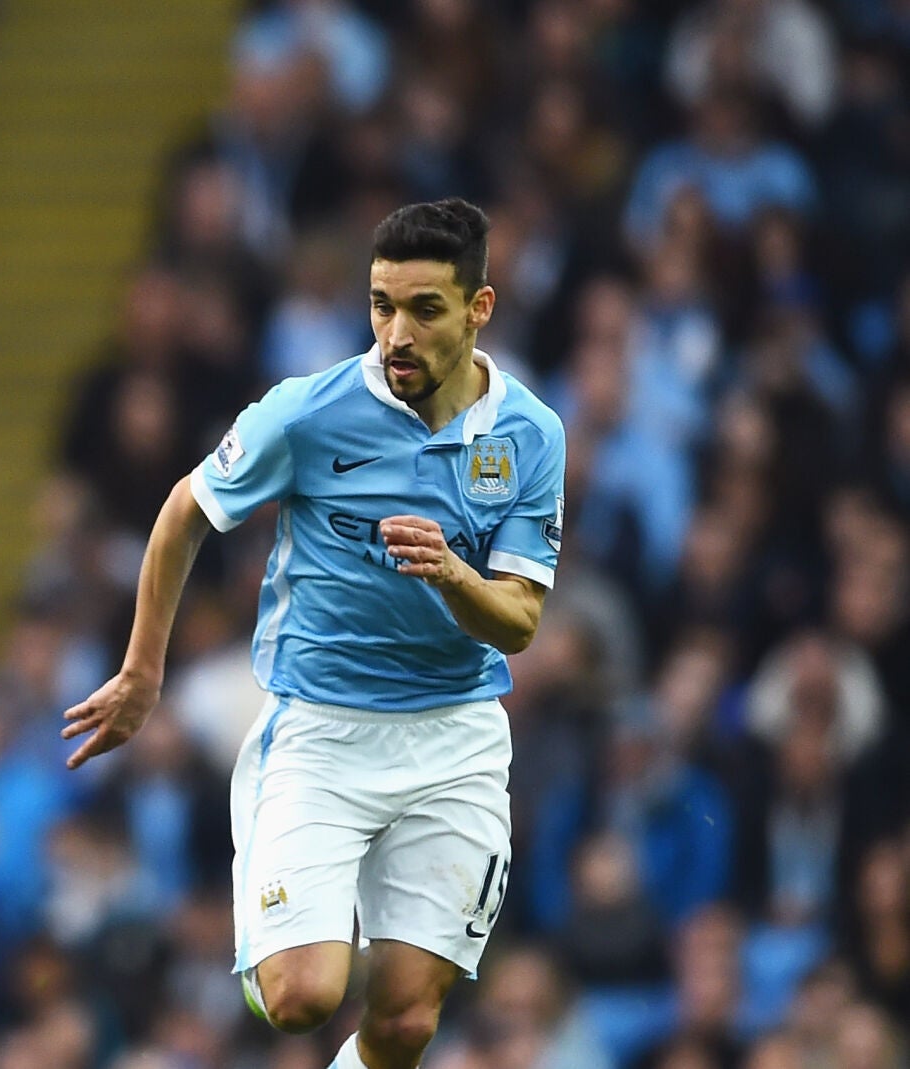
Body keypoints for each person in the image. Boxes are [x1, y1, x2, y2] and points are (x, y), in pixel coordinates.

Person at [63, 198, 566, 1069]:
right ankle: (275, 919)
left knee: (405, 1022)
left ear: (479, 308)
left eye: (425, 309)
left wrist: (452, 573)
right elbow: (185, 511)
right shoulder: (308, 413)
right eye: (381, 305)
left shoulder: (530, 434)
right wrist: (143, 671)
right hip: (322, 732)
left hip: (455, 739)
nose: (396, 333)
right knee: (303, 997)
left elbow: (520, 620)